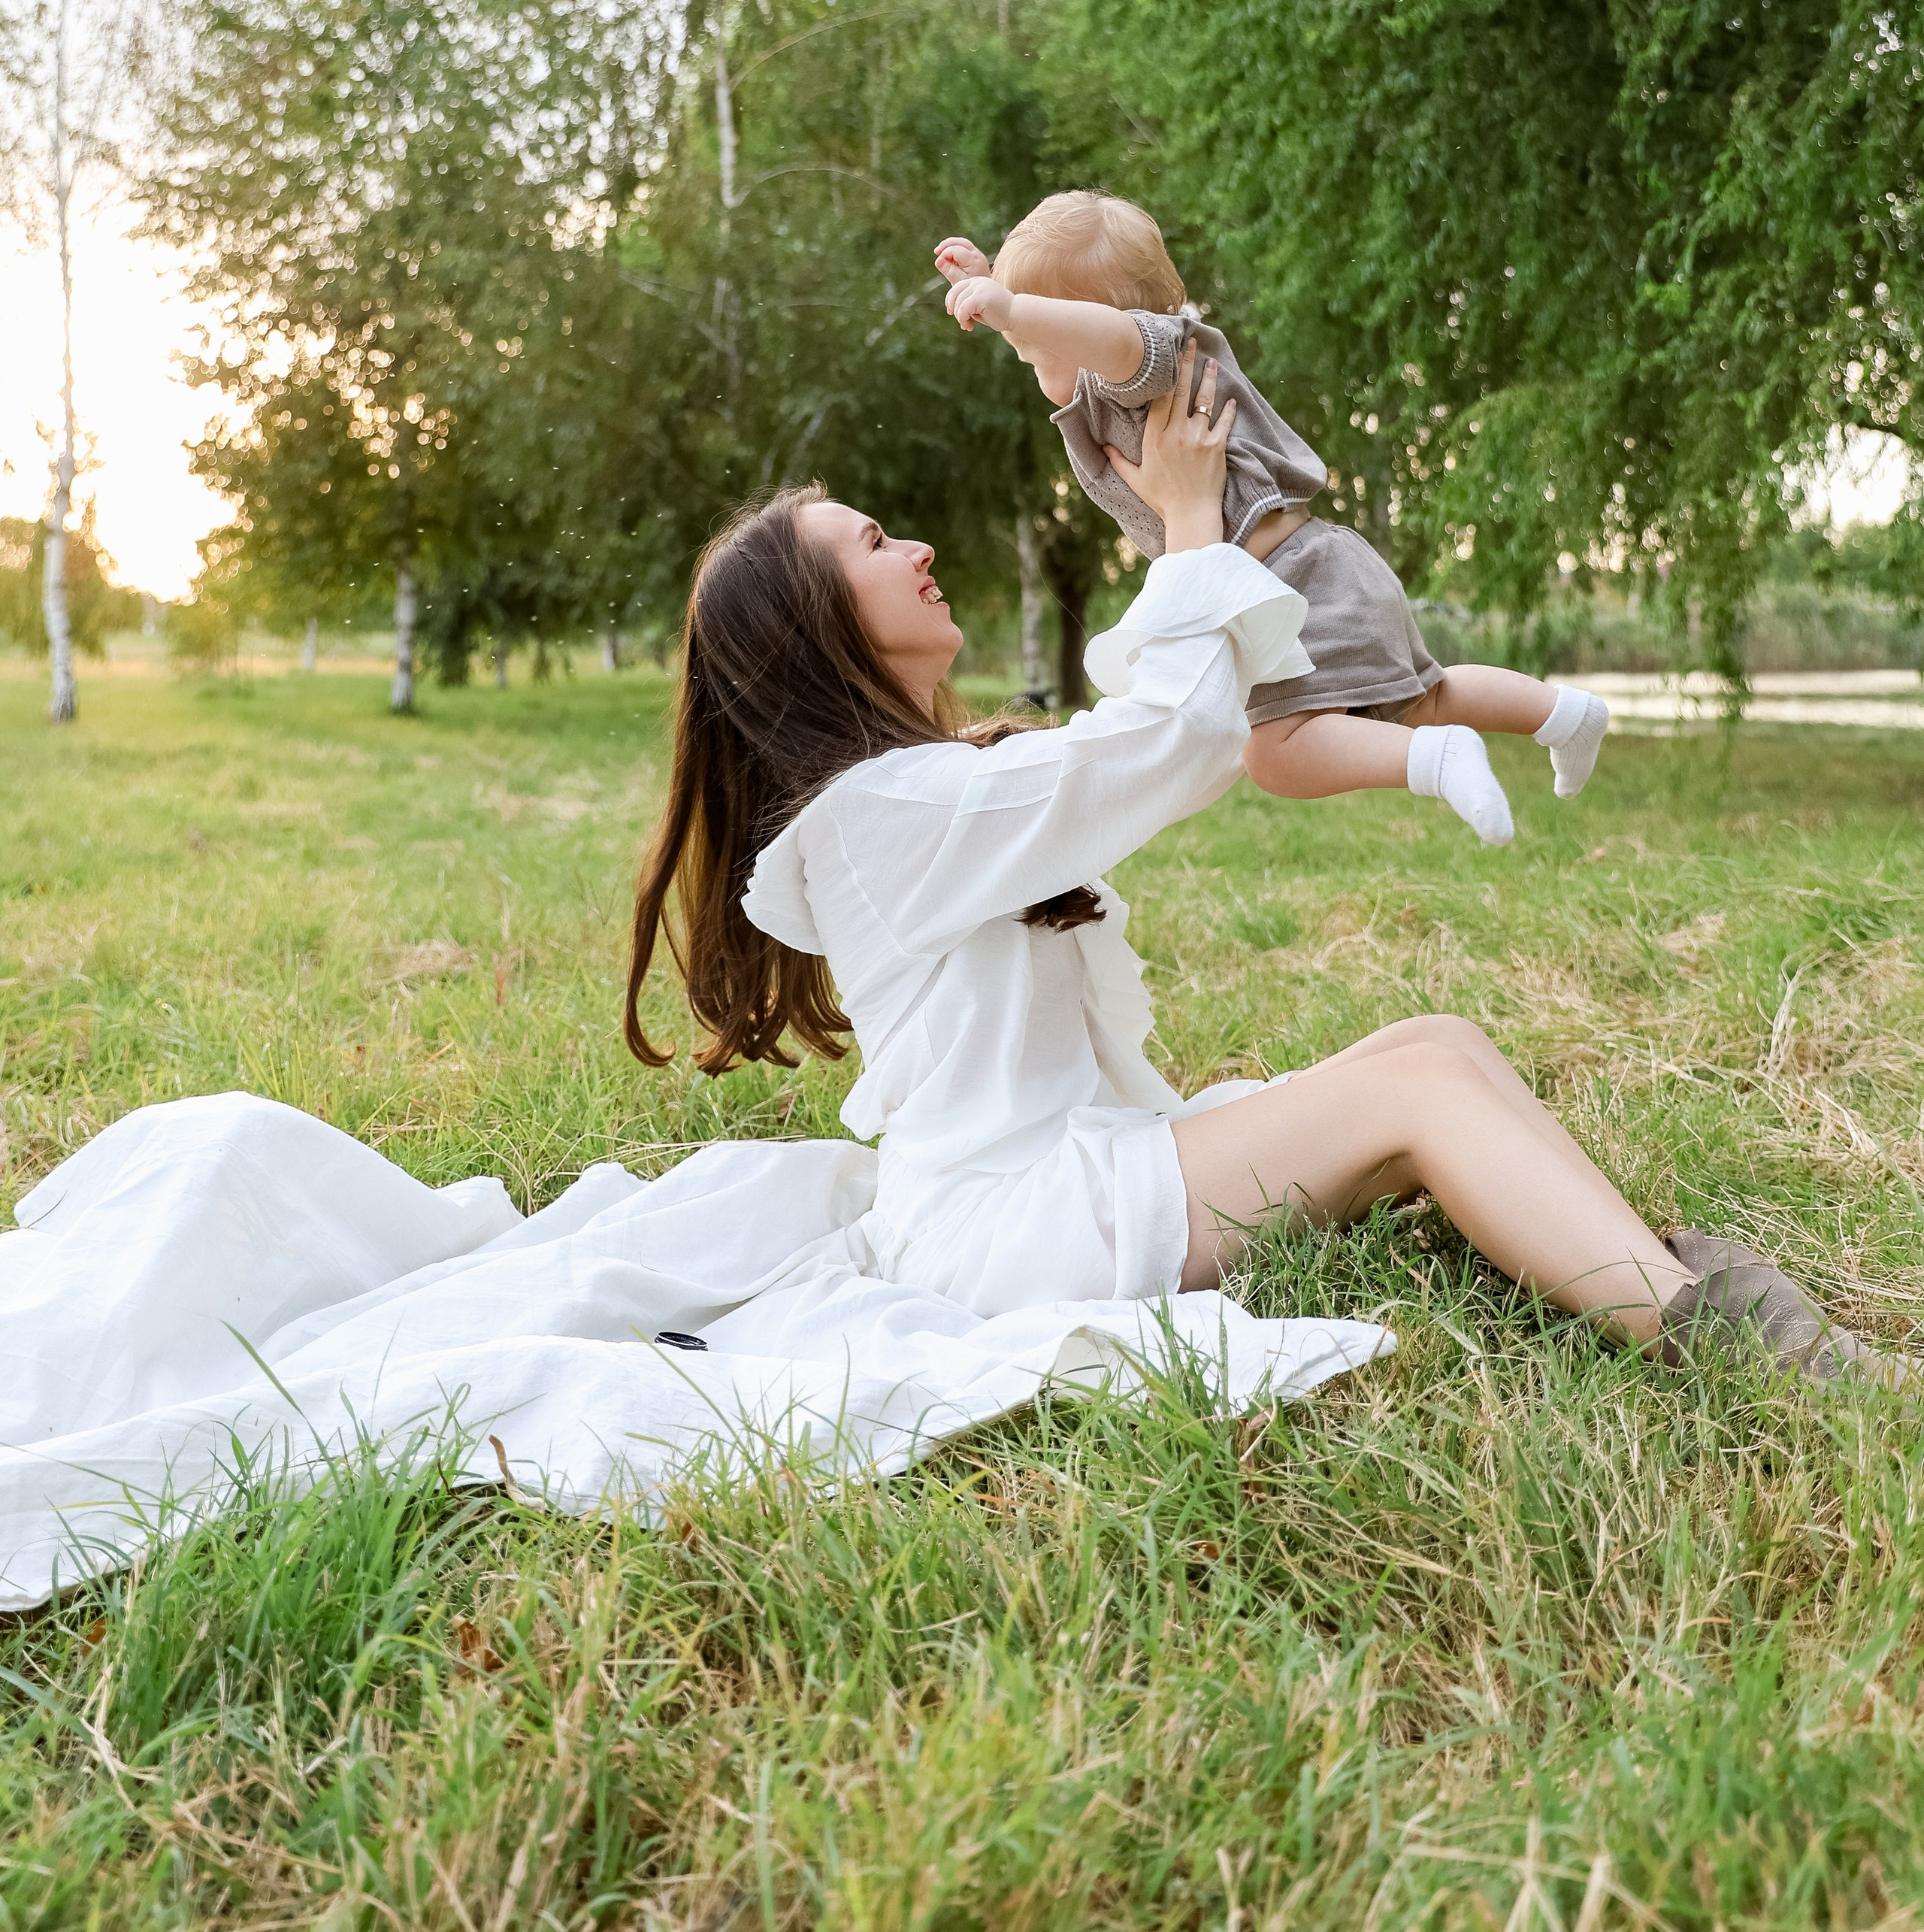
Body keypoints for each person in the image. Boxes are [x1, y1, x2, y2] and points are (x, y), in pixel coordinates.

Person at [627, 359, 1892, 1383]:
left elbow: (1165, 742)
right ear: (818, 627)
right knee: (1420, 1097)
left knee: (1438, 1043)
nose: (912, 548)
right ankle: (1738, 1348)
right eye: (872, 543)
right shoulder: (880, 814)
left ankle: (1640, 1266)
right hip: (1019, 1230)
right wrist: (1186, 518)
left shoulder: (920, 787)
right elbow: (1168, 741)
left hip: (1071, 1177)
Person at [935, 191, 1608, 850]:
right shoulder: (1110, 377)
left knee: (1276, 753)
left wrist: (1014, 307)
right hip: (1319, 567)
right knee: (1426, 696)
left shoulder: (1150, 360)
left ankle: (1436, 757)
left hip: (1295, 580)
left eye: (1035, 340)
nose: (1025, 349)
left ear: (1090, 322)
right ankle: (1566, 715)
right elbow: (1069, 333)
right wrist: (997, 294)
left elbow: (1111, 340)